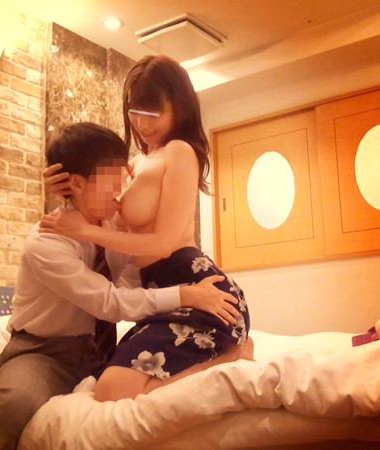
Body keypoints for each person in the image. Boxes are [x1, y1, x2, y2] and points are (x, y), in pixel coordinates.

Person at [0, 122, 240, 450]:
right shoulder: (45, 243)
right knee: (14, 404)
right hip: (44, 352)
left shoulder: (111, 225)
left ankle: (232, 358)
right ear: (78, 183)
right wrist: (185, 294)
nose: (122, 187)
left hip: (99, 352)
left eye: (123, 175)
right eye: (113, 178)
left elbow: (139, 263)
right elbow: (109, 303)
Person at [40, 55, 252, 402]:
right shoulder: (134, 163)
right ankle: (228, 356)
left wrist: (85, 231)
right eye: (134, 111)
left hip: (198, 289)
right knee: (110, 383)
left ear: (179, 107)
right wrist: (65, 189)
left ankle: (234, 356)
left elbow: (163, 243)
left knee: (112, 389)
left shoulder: (179, 152)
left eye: (153, 113)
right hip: (158, 297)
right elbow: (99, 212)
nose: (141, 123)